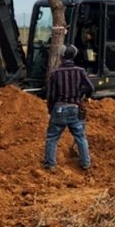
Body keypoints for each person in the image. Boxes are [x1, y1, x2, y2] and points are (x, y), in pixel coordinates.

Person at [43, 43, 95, 171]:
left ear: (61, 56)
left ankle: (50, 165)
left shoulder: (55, 73)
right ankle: (85, 163)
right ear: (74, 55)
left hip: (59, 108)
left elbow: (50, 95)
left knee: (52, 138)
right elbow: (90, 88)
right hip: (75, 107)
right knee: (81, 137)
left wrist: (51, 110)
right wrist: (83, 97)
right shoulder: (81, 71)